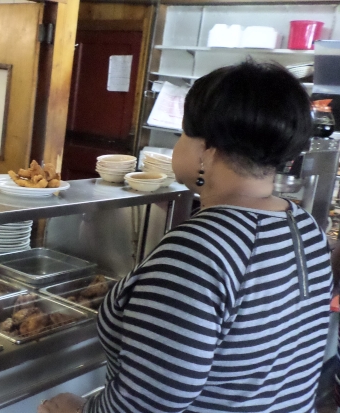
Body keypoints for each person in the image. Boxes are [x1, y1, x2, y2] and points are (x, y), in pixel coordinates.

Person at [38, 61, 332, 413]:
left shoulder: (198, 251)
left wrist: (74, 409)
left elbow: (148, 405)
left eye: (182, 134)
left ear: (206, 149)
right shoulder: (303, 225)